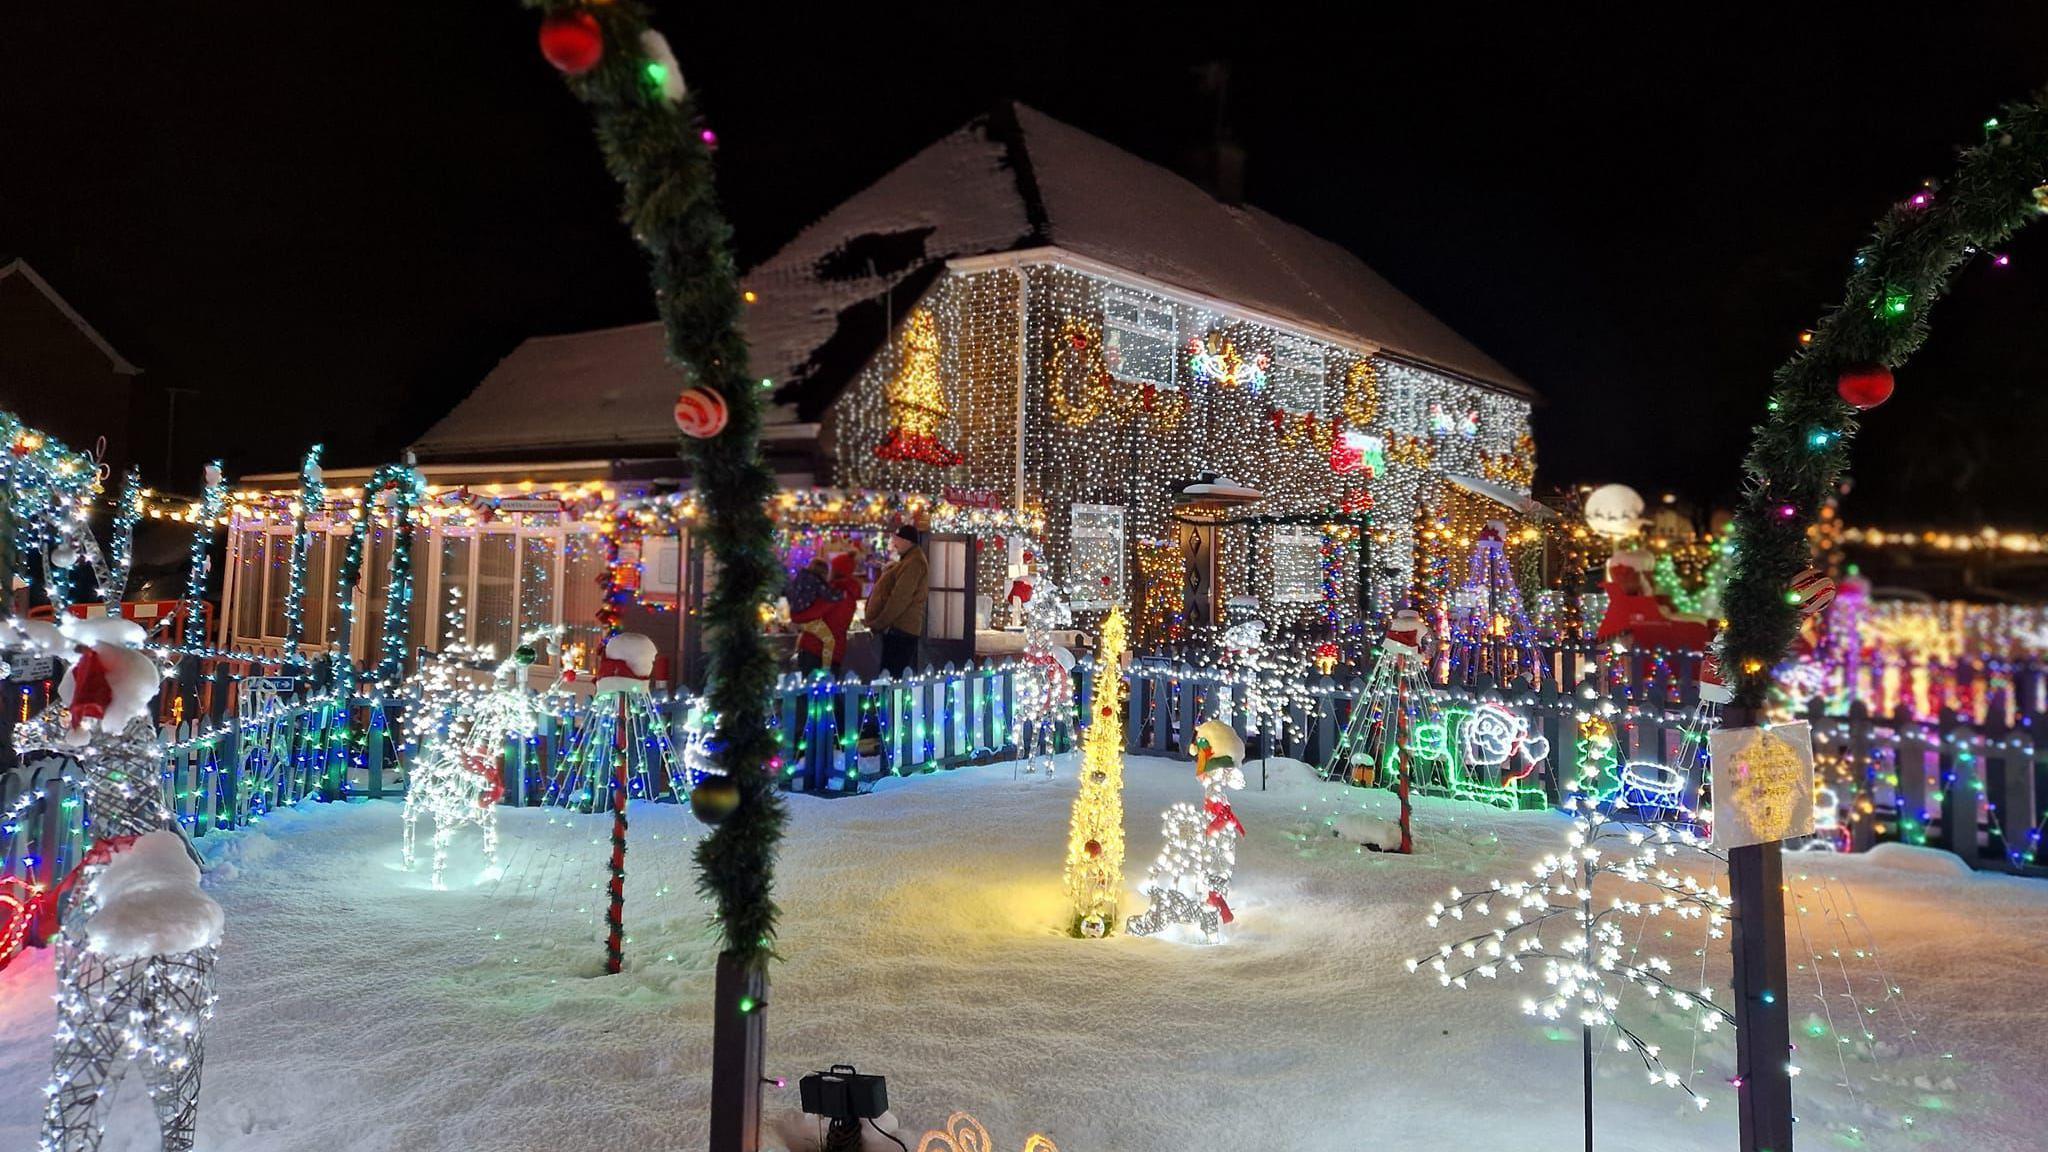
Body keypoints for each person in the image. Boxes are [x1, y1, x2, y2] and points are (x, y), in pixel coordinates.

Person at [864, 524, 928, 677]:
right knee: (890, 675)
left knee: (891, 675)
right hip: (897, 629)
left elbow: (899, 599)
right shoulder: (908, 561)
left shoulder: (914, 563)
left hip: (901, 631)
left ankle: (888, 701)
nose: (894, 543)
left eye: (897, 539)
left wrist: (878, 624)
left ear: (908, 541)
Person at [791, 553, 861, 674]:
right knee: (829, 688)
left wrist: (795, 616)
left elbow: (811, 613)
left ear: (836, 571)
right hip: (835, 652)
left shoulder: (833, 592)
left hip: (815, 650)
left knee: (811, 689)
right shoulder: (850, 595)